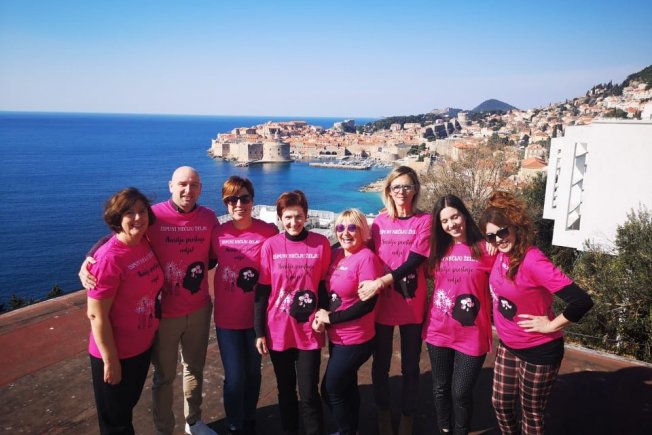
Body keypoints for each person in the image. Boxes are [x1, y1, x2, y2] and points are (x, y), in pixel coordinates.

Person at [80, 166, 219, 435]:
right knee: (164, 377)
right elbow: (119, 235)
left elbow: (220, 247)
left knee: (195, 369)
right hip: (164, 314)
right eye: (182, 184)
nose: (188, 190)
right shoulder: (153, 216)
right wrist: (90, 256)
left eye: (193, 185)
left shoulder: (209, 217)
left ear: (201, 189)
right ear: (170, 186)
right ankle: (164, 429)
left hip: (199, 307)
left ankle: (194, 421)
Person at [479, 191, 594, 435]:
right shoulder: (499, 254)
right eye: (491, 236)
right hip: (509, 345)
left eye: (502, 232)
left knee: (531, 413)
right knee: (500, 403)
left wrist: (551, 325)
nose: (498, 239)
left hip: (539, 349)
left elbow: (581, 301)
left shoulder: (532, 261)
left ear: (514, 227)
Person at [358, 166, 432, 435]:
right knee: (381, 364)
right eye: (396, 186)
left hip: (411, 301)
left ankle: (408, 415)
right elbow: (365, 254)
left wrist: (382, 281)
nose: (401, 191)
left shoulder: (424, 220)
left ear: (415, 190)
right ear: (388, 190)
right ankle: (383, 413)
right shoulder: (379, 222)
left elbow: (415, 260)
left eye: (407, 186)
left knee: (410, 365)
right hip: (383, 302)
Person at [86, 187, 163, 435]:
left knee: (125, 409)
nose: (138, 217)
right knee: (116, 423)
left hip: (141, 347)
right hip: (116, 353)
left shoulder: (144, 243)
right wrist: (110, 361)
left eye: (142, 211)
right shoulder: (108, 259)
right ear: (117, 218)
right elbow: (96, 315)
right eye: (129, 213)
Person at [254, 190, 331, 435]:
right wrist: (259, 332)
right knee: (285, 390)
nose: (293, 222)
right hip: (278, 329)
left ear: (306, 216)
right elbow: (263, 290)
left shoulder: (321, 243)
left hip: (309, 329)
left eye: (298, 216)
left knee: (308, 392)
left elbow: (323, 285)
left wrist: (323, 313)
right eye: (287, 217)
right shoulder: (270, 246)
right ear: (280, 218)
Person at [423, 194, 495, 435]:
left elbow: (507, 276)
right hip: (438, 330)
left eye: (455, 217)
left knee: (461, 392)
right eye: (444, 221)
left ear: (464, 215)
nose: (451, 224)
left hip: (472, 334)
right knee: (440, 387)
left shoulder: (485, 249)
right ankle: (444, 428)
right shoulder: (437, 249)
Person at [211, 176, 278, 435]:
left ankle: (249, 418)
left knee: (253, 372)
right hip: (226, 319)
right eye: (232, 200)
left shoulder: (268, 232)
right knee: (235, 377)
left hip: (257, 318)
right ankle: (234, 423)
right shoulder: (217, 233)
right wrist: (98, 250)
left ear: (252, 200)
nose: (239, 204)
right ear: (225, 203)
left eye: (244, 198)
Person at [313, 208, 384, 435]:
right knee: (347, 386)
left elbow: (367, 305)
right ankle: (352, 428)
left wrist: (331, 318)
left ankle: (345, 430)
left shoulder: (367, 259)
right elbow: (326, 289)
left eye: (352, 227)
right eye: (340, 228)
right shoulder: (336, 255)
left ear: (363, 231)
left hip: (356, 339)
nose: (345, 233)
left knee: (330, 390)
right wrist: (321, 313)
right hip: (338, 337)